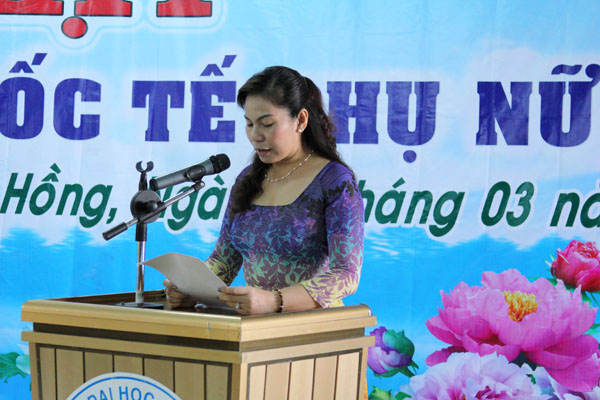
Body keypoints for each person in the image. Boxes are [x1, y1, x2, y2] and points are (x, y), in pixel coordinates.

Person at [164, 66, 364, 315]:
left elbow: (346, 274)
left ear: (301, 120)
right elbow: (224, 262)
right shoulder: (247, 180)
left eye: (267, 124)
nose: (255, 135)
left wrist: (275, 301)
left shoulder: (335, 181)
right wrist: (190, 289)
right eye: (249, 124)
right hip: (258, 327)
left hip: (314, 326)